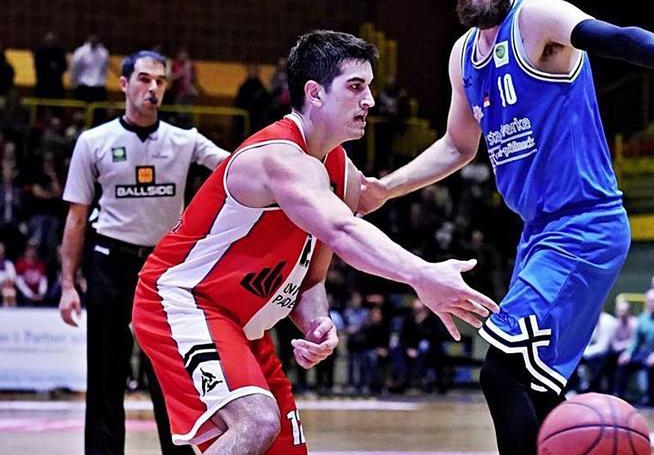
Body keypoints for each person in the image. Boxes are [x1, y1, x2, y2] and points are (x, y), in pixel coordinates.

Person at [358, 0, 654, 452]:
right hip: (539, 232)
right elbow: (457, 146)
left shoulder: (537, 20)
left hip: (584, 225)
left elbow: (610, 35)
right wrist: (385, 189)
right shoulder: (462, 56)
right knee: (539, 390)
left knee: (500, 374)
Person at [131, 31, 498, 455]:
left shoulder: (340, 171)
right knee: (255, 422)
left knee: (286, 447)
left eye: (371, 88)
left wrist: (317, 325)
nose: (370, 102)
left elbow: (311, 278)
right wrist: (421, 274)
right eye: (356, 87)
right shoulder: (278, 157)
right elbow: (343, 232)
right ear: (314, 93)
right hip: (182, 300)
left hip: (243, 324)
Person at [58, 50, 229, 455]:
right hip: (108, 262)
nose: (152, 88)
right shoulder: (93, 142)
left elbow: (235, 168)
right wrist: (68, 284)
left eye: (160, 81)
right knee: (105, 372)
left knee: (170, 372)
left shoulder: (185, 140)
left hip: (164, 267)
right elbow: (76, 218)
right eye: (144, 79)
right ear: (124, 84)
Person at [70, 32, 110, 103]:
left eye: (95, 37)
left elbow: (104, 69)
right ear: (88, 38)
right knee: (81, 111)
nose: (94, 39)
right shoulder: (80, 52)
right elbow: (75, 68)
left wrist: (103, 81)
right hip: (83, 85)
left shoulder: (104, 52)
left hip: (98, 85)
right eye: (92, 37)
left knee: (98, 111)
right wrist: (74, 81)